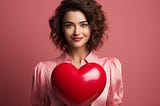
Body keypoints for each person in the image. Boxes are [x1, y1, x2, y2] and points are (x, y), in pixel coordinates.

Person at [31, 0, 123, 106]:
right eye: (69, 25)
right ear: (61, 29)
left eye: (83, 25)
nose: (77, 32)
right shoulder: (44, 70)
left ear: (92, 27)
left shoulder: (110, 67)